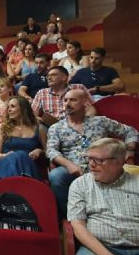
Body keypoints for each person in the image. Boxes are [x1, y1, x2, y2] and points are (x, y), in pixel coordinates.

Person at [47, 89, 138, 219]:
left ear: (85, 103)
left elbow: (131, 132)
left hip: (103, 165)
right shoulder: (56, 128)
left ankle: (116, 217)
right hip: (74, 168)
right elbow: (51, 150)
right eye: (65, 100)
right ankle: (73, 218)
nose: (67, 103)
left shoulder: (100, 122)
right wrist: (69, 165)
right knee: (56, 175)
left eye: (73, 100)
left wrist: (130, 151)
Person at [0, 96, 47, 182]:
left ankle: (8, 184)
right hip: (6, 165)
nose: (9, 109)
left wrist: (40, 151)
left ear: (23, 109)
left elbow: (48, 154)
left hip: (29, 168)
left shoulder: (39, 129)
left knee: (21, 155)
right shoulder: (4, 128)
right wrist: (6, 156)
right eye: (8, 107)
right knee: (18, 155)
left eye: (12, 106)